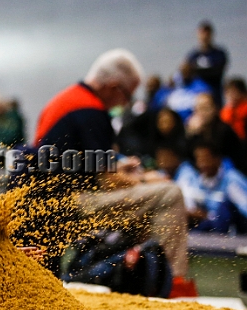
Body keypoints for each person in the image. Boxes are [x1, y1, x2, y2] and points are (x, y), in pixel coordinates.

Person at [33, 48, 196, 297]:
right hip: (70, 204)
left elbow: (74, 165)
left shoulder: (64, 100)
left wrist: (120, 168)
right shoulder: (92, 112)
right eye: (128, 95)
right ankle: (171, 284)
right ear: (113, 87)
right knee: (169, 194)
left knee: (148, 203)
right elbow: (107, 182)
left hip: (48, 201)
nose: (125, 103)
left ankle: (139, 277)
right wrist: (144, 178)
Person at [175, 142, 247, 234]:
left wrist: (207, 215)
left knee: (224, 207)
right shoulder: (196, 180)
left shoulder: (232, 180)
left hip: (234, 232)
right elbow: (190, 207)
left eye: (206, 159)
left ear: (217, 159)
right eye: (199, 159)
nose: (202, 164)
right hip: (208, 229)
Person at [185, 20, 229, 107]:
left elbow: (217, 72)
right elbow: (187, 74)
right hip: (197, 95)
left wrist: (196, 70)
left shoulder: (219, 53)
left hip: (215, 93)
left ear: (211, 34)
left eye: (207, 33)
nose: (204, 36)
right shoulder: (193, 55)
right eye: (202, 33)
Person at [220, 77, 247, 142]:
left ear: (242, 93)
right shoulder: (226, 110)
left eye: (234, 92)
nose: (231, 95)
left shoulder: (244, 108)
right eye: (228, 92)